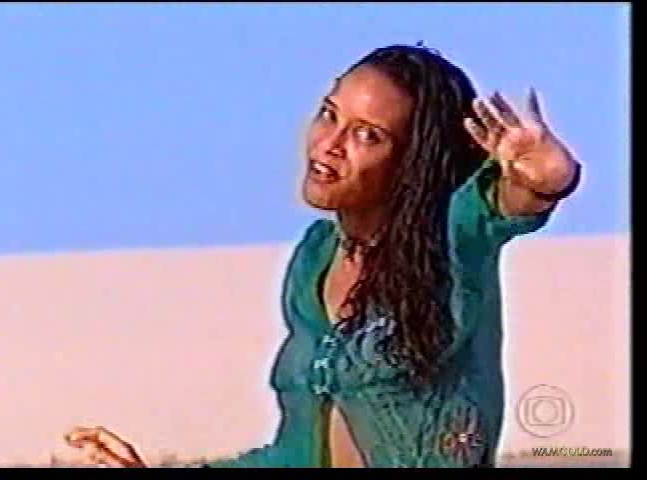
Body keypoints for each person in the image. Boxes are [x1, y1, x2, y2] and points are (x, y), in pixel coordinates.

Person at [64, 44, 582, 468]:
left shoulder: (454, 238)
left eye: (367, 135)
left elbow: (508, 203)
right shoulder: (315, 263)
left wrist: (546, 177)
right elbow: (296, 455)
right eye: (329, 114)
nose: (329, 144)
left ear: (414, 162)